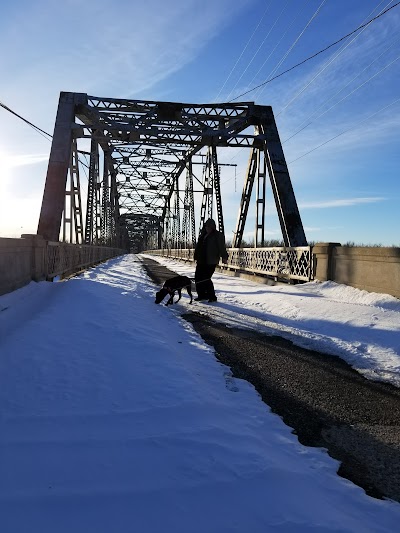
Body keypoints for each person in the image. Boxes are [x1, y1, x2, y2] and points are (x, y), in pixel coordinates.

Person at [193, 218, 228, 303]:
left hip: (211, 260)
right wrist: (196, 256)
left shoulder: (217, 235)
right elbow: (198, 247)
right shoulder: (203, 235)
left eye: (209, 227)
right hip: (201, 260)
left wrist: (224, 257)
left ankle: (212, 296)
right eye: (206, 226)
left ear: (213, 227)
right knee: (198, 277)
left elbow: (222, 247)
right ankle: (201, 295)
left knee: (206, 278)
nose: (207, 228)